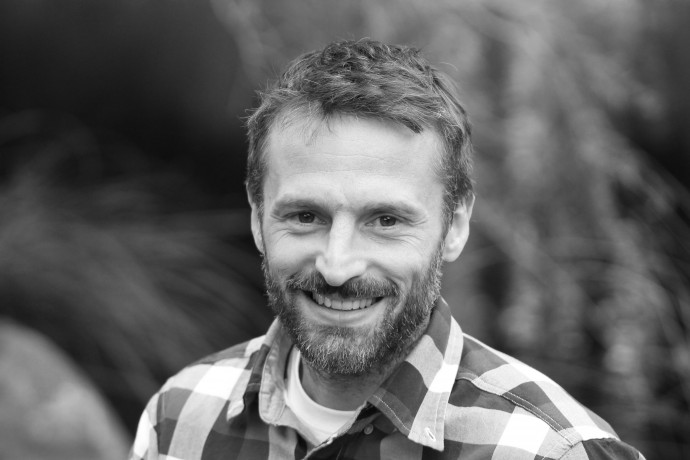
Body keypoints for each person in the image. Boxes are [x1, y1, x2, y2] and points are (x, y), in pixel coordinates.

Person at [129, 39, 645, 459]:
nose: (337, 266)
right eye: (305, 216)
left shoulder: (550, 452)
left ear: (455, 226)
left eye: (386, 221)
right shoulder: (178, 419)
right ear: (257, 217)